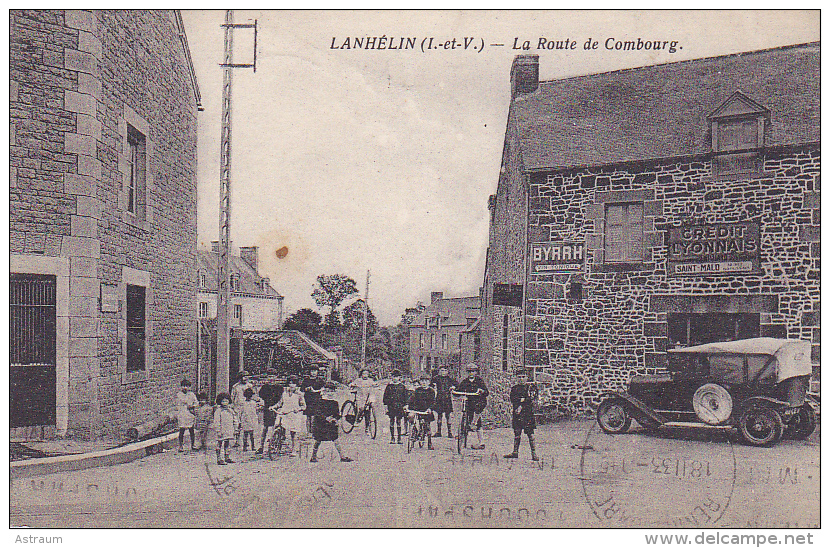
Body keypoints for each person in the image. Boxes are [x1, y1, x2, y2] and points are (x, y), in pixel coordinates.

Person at [310, 381, 353, 463]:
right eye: (327, 390)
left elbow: (337, 413)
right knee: (318, 440)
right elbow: (317, 412)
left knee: (335, 439)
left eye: (331, 390)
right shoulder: (319, 401)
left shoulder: (334, 402)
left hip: (331, 424)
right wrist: (326, 418)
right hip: (320, 423)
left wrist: (336, 419)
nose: (329, 392)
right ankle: (313, 456)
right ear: (324, 391)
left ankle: (342, 456)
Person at [504, 369, 539, 461]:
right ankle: (515, 452)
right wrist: (520, 402)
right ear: (516, 378)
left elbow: (531, 400)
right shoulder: (514, 388)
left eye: (523, 377)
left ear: (526, 378)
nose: (521, 379)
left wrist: (522, 404)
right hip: (517, 414)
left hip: (527, 414)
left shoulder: (530, 388)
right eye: (519, 377)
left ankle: (534, 453)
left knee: (530, 434)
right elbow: (513, 399)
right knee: (517, 432)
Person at [453, 363, 489, 450]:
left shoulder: (479, 381)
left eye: (473, 371)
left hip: (479, 401)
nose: (471, 373)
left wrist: (481, 391)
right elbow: (459, 390)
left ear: (476, 372)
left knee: (477, 420)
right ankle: (462, 431)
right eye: (469, 372)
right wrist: (453, 389)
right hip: (469, 401)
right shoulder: (465, 381)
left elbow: (486, 392)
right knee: (466, 414)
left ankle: (481, 442)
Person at [256, 371, 285, 455]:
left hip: (277, 409)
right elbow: (260, 397)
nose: (271, 378)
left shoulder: (279, 387)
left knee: (278, 427)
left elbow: (281, 399)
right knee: (265, 428)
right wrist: (261, 404)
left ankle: (276, 444)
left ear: (276, 377)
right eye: (269, 376)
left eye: (273, 376)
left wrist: (277, 406)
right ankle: (261, 446)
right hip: (267, 409)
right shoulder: (264, 387)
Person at [276, 375, 305, 454]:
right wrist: (273, 406)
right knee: (280, 428)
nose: (292, 385)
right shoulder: (284, 393)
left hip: (294, 414)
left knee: (293, 433)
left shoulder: (299, 394)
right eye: (290, 383)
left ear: (296, 384)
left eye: (294, 383)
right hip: (285, 412)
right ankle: (278, 446)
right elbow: (280, 403)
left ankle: (294, 449)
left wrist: (298, 409)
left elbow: (304, 406)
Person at [405, 375, 436, 450]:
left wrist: (430, 408)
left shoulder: (431, 391)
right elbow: (412, 398)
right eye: (422, 381)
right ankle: (414, 430)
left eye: (426, 381)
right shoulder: (417, 390)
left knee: (427, 427)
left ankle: (429, 442)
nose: (424, 383)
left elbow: (433, 401)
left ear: (429, 382)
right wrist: (407, 405)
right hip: (417, 409)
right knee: (410, 416)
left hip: (426, 410)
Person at [430, 365, 457, 438]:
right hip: (439, 398)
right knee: (439, 416)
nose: (443, 372)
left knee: (448, 416)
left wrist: (453, 387)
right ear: (439, 371)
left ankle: (450, 432)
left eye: (445, 370)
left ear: (448, 372)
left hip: (447, 398)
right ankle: (438, 431)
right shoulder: (436, 378)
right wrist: (433, 386)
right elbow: (430, 385)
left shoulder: (450, 379)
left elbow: (457, 385)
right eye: (442, 370)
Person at [349, 368, 378, 434]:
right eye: (364, 374)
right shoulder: (358, 380)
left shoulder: (370, 380)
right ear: (361, 374)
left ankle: (367, 429)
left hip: (368, 397)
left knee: (368, 412)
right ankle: (357, 420)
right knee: (361, 408)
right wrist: (352, 385)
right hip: (360, 397)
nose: (365, 375)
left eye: (367, 374)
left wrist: (375, 384)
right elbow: (352, 384)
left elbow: (374, 383)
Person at [382, 370, 408, 444]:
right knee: (391, 421)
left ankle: (399, 438)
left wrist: (405, 405)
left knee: (399, 421)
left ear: (399, 377)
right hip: (391, 406)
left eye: (397, 377)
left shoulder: (402, 386)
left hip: (399, 406)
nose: (395, 378)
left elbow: (405, 397)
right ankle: (392, 437)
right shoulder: (389, 386)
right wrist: (386, 407)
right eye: (394, 376)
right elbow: (385, 397)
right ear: (392, 377)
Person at [230, 371, 254, 447]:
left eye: (247, 376)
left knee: (246, 423)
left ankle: (246, 441)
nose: (245, 378)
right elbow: (232, 397)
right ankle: (237, 441)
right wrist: (232, 405)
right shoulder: (236, 387)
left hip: (247, 407)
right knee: (238, 424)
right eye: (244, 376)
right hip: (238, 407)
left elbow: (253, 395)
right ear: (240, 378)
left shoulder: (250, 386)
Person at [213, 392, 237, 465]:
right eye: (223, 401)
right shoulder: (218, 411)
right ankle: (219, 458)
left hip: (229, 430)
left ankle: (227, 457)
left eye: (226, 401)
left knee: (227, 443)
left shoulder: (230, 410)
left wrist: (235, 428)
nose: (225, 403)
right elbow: (216, 421)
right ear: (220, 401)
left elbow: (235, 419)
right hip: (221, 430)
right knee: (219, 443)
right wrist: (218, 430)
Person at [175, 379, 198, 452]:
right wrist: (189, 404)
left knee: (191, 430)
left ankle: (193, 444)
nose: (185, 388)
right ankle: (181, 446)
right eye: (184, 386)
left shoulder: (192, 394)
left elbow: (196, 402)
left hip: (190, 414)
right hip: (182, 413)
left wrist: (193, 406)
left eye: (187, 386)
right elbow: (183, 401)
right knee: (182, 430)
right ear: (181, 387)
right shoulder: (179, 395)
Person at [301, 366, 324, 435]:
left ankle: (313, 431)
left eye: (315, 371)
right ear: (310, 372)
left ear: (317, 372)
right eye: (312, 371)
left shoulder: (320, 380)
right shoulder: (306, 380)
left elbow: (323, 389)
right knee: (308, 416)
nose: (313, 373)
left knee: (314, 415)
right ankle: (308, 431)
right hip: (308, 399)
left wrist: (317, 391)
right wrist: (307, 389)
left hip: (316, 399)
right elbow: (302, 389)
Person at [239, 387, 259, 452]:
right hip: (245, 419)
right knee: (246, 434)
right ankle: (245, 447)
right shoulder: (243, 403)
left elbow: (255, 411)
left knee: (251, 434)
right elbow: (241, 412)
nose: (249, 398)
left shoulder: (253, 403)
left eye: (250, 396)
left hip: (251, 419)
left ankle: (252, 446)